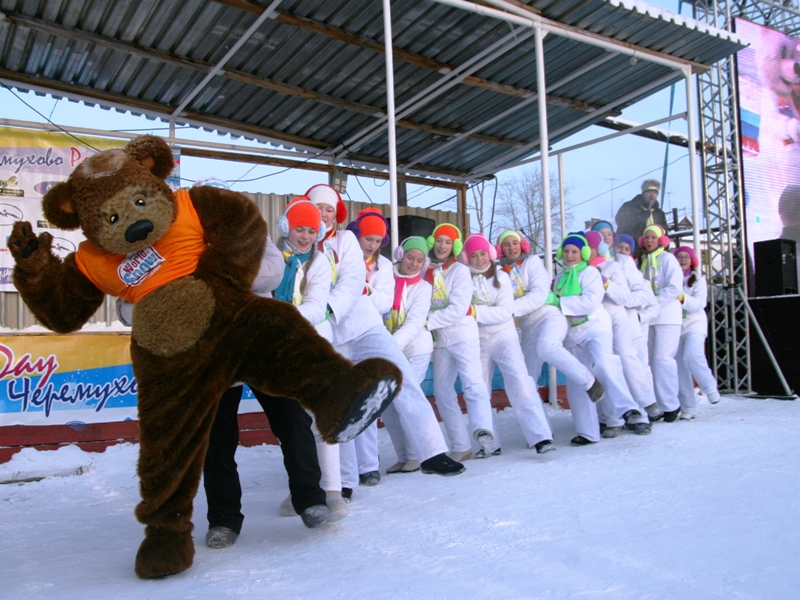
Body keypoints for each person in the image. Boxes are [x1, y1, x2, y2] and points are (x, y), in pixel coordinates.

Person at [202, 197, 343, 550]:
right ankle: (223, 520)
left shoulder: (256, 236)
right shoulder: (189, 242)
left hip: (264, 346)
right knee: (217, 439)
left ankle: (310, 499)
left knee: (293, 420)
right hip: (219, 352)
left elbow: (271, 273)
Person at [306, 184, 464, 495]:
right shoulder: (302, 246)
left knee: (401, 376)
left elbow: (353, 280)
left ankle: (432, 452)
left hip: (365, 326)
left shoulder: (346, 240)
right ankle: (346, 482)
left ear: (335, 214)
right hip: (329, 339)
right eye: (318, 208)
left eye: (328, 209)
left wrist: (323, 307)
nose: (323, 215)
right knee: (343, 406)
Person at [550, 233, 649, 445]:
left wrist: (559, 302)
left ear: (583, 254)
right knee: (578, 380)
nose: (569, 255)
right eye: (566, 251)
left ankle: (628, 408)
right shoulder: (558, 279)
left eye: (574, 251)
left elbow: (590, 302)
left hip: (596, 328)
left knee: (605, 363)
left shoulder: (591, 274)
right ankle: (587, 432)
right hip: (572, 335)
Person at [462, 233, 556, 453]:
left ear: (490, 253)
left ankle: (540, 437)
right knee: (479, 388)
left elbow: (505, 312)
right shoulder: (463, 280)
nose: (479, 259)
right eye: (473, 255)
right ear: (467, 258)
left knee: (520, 382)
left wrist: (474, 311)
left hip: (504, 337)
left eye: (483, 253)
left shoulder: (502, 277)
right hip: (477, 340)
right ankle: (489, 443)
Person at [494, 230, 604, 413]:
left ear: (522, 244)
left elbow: (539, 295)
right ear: (500, 249)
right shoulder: (499, 273)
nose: (511, 247)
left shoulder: (532, 262)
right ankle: (542, 432)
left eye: (515, 242)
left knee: (547, 347)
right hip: (528, 328)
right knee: (526, 378)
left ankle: (590, 382)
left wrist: (506, 310)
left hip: (549, 316)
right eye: (506, 244)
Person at [425, 223, 497, 461]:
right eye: (439, 240)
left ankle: (484, 432)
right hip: (440, 340)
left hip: (462, 335)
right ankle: (461, 446)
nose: (443, 246)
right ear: (432, 242)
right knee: (442, 391)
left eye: (448, 242)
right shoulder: (428, 269)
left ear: (455, 246)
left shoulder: (459, 270)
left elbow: (458, 309)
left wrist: (425, 321)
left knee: (472, 384)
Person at [342, 208, 394, 488]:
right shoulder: (344, 255)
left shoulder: (383, 267)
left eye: (377, 240)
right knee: (346, 401)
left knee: (369, 400)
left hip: (369, 333)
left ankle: (369, 465)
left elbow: (385, 301)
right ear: (357, 234)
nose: (372, 245)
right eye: (368, 238)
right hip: (341, 335)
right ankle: (344, 471)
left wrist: (362, 292)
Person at [584, 231, 652, 437]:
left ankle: (642, 413)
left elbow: (630, 296)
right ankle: (612, 418)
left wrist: (606, 283)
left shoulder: (617, 264)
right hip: (596, 323)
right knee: (602, 366)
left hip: (620, 320)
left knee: (628, 363)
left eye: (607, 235)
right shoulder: (581, 269)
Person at [381, 236, 435, 474]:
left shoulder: (424, 288)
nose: (413, 264)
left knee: (405, 399)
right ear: (401, 255)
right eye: (410, 257)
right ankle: (403, 456)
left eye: (419, 260)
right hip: (387, 348)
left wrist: (389, 345)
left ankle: (416, 455)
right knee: (387, 406)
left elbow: (414, 324)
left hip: (415, 348)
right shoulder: (384, 278)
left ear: (424, 264)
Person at [638, 224, 684, 422]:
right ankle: (654, 404)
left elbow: (675, 287)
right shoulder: (643, 262)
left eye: (653, 238)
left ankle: (671, 405)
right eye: (646, 237)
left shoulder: (668, 259)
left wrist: (654, 302)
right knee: (648, 362)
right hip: (650, 317)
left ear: (661, 240)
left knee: (662, 359)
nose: (649, 241)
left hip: (668, 316)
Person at [674, 246, 721, 418]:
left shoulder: (698, 280)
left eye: (686, 257)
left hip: (695, 324)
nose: (682, 260)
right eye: (679, 257)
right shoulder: (671, 278)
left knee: (692, 355)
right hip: (676, 326)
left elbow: (699, 303)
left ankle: (709, 388)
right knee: (679, 367)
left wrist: (681, 297)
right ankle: (689, 408)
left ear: (692, 260)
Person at [614, 180, 669, 244]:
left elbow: (664, 232)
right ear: (643, 193)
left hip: (653, 248)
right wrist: (641, 218)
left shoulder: (659, 213)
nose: (652, 195)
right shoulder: (629, 207)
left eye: (654, 192)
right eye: (649, 192)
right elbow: (622, 224)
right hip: (631, 246)